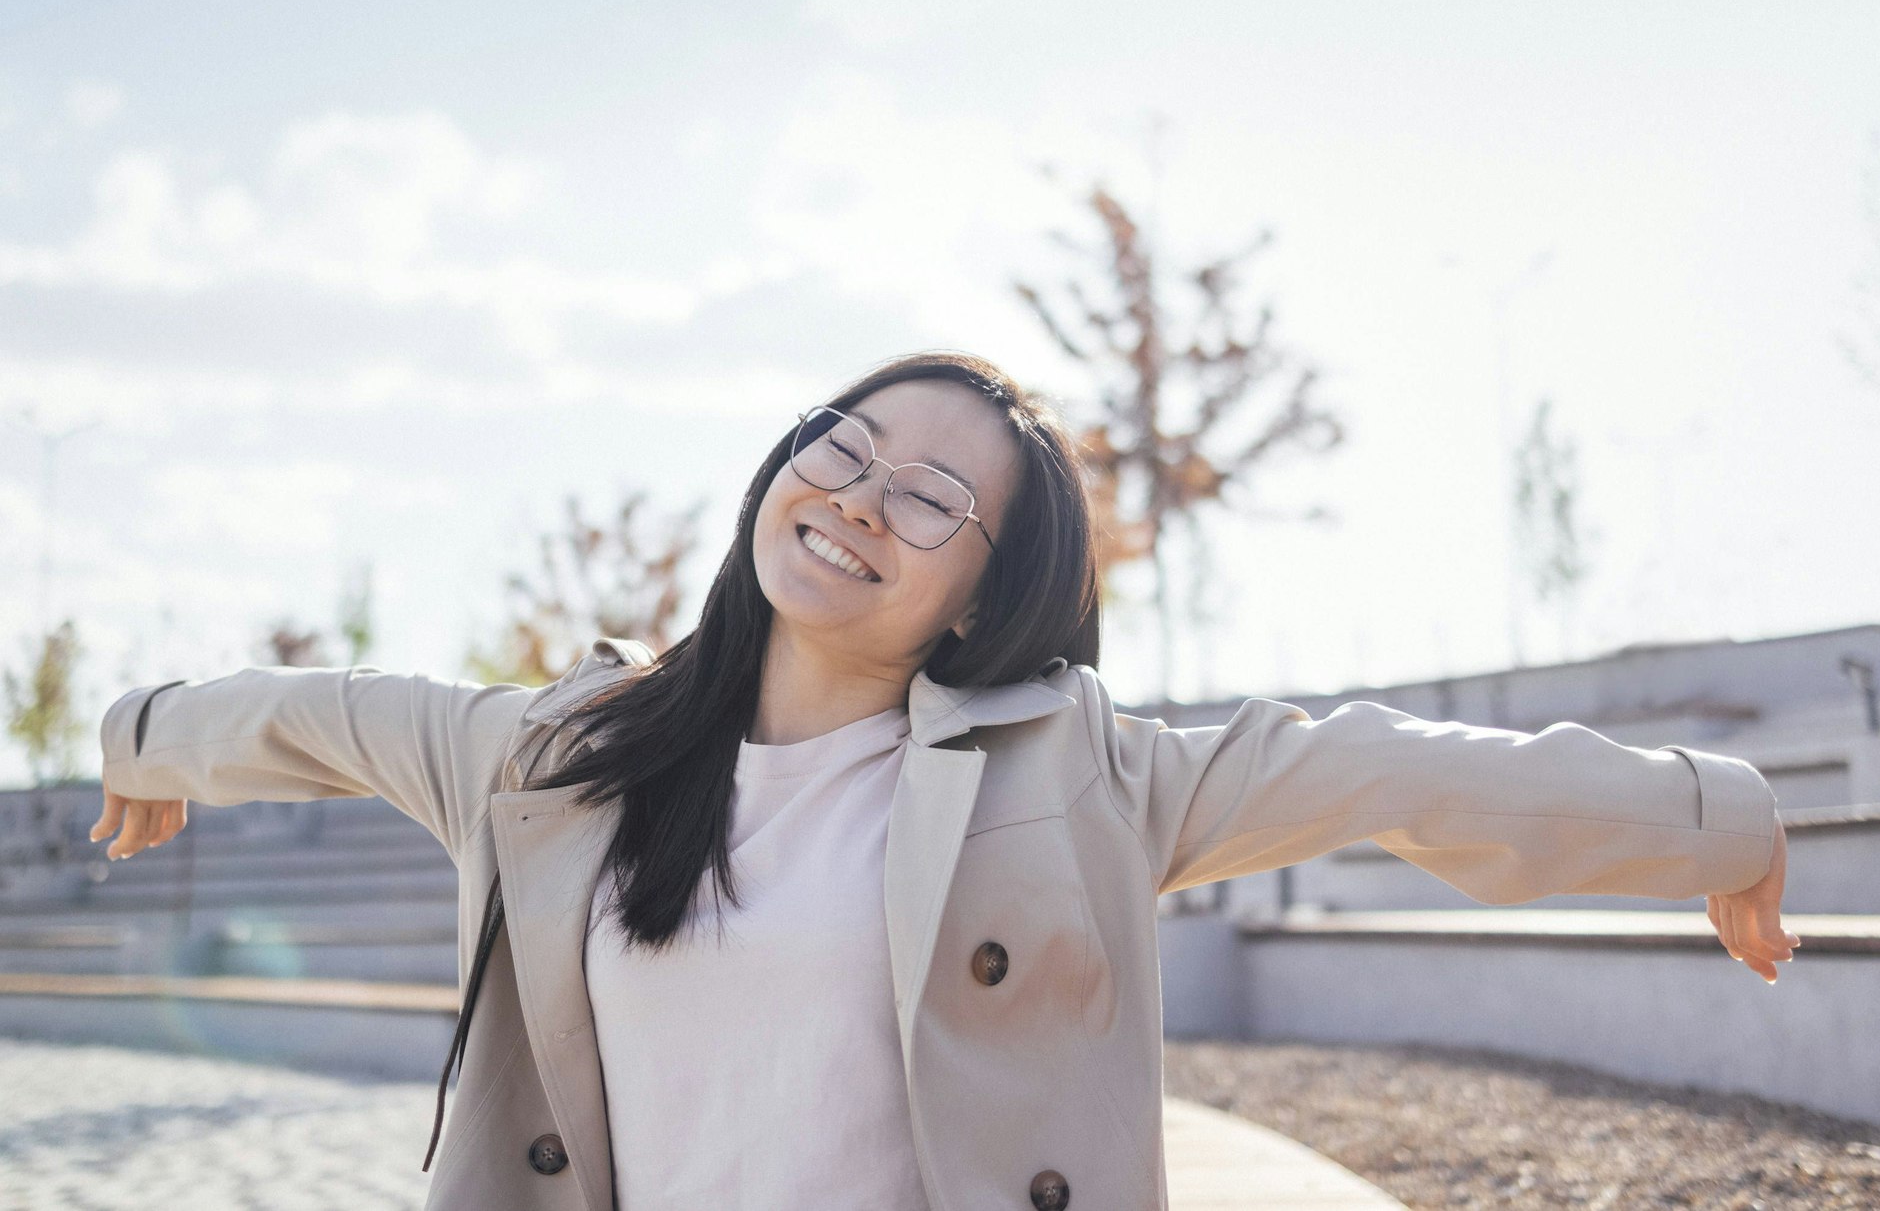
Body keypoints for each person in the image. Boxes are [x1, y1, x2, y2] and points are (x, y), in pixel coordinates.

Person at [93, 350, 1799, 1211]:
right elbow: (320, 713)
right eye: (841, 448)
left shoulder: (1073, 778)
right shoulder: (558, 752)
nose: (857, 495)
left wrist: (1717, 823)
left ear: (983, 593)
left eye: (926, 497)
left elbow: (1379, 773)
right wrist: (143, 740)